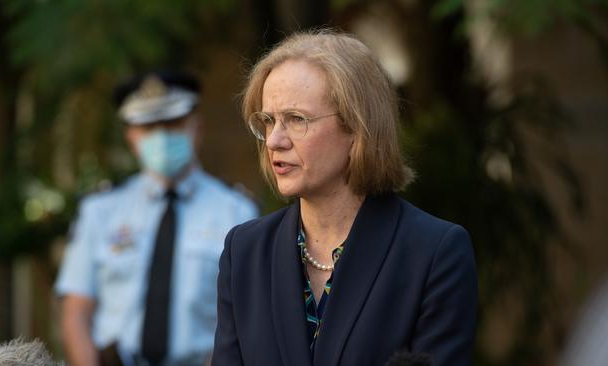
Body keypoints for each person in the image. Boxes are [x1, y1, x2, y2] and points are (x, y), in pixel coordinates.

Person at [212, 30, 477, 366]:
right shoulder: (245, 251)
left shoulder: (434, 252)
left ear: (357, 129)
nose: (275, 140)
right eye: (267, 121)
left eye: (296, 119)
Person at [55, 71, 258, 366]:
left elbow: (248, 315)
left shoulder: (236, 212)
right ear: (131, 138)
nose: (161, 137)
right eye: (148, 127)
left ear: (197, 128)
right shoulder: (99, 211)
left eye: (172, 124)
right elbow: (76, 312)